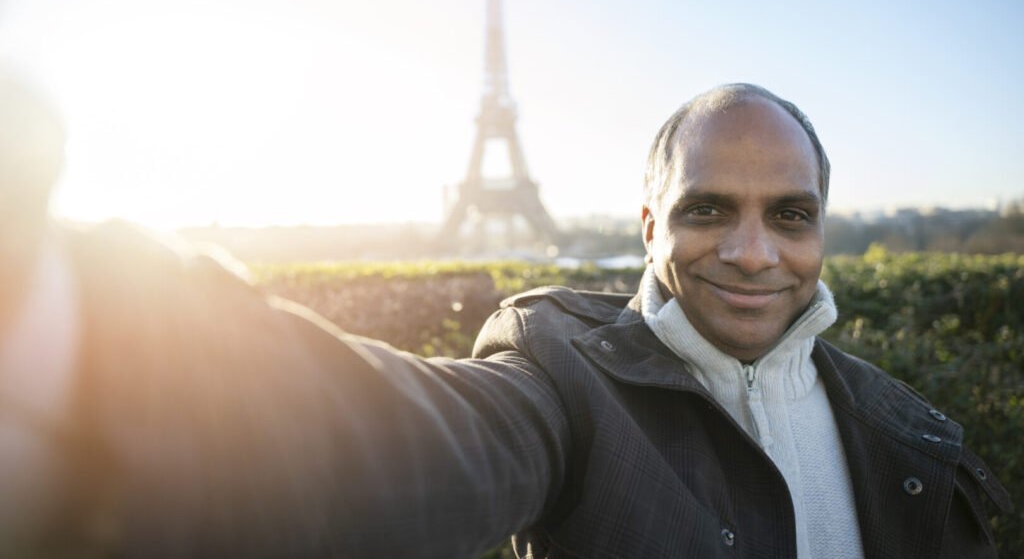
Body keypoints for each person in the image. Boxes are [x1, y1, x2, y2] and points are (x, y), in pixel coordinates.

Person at [1, 75, 1011, 557]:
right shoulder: (566, 381)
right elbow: (398, 438)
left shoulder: (899, 425)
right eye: (709, 208)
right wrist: (80, 334)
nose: (752, 250)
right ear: (650, 221)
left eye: (788, 215)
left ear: (821, 230)